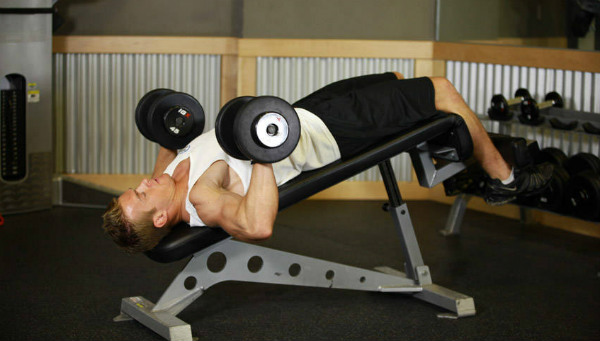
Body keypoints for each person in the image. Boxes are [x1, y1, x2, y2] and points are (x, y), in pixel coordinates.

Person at [102, 72, 553, 253]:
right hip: (333, 133)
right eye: (141, 194)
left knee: (395, 82)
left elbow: (169, 142)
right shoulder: (203, 197)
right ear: (162, 216)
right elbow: (257, 225)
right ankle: (506, 179)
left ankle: (449, 152)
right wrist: (263, 153)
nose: (144, 181)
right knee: (439, 90)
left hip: (306, 114)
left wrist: (165, 130)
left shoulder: (171, 175)